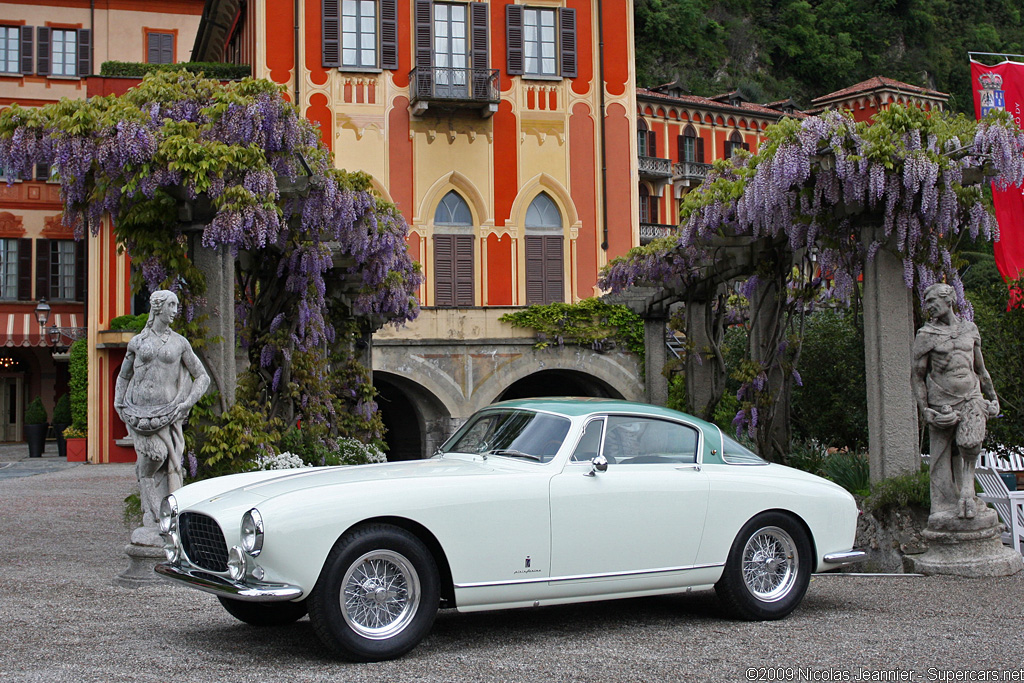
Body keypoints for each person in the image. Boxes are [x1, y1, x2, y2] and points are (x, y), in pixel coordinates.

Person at [114, 290, 210, 533]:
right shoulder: (137, 342)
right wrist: (118, 401)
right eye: (171, 305)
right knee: (154, 456)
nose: (175, 310)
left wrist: (187, 402)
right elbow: (124, 375)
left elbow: (202, 377)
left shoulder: (179, 343)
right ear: (157, 307)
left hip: (169, 412)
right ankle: (153, 511)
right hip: (139, 414)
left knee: (168, 461)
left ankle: (164, 513)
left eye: (177, 305)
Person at [912, 283, 1000, 521]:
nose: (928, 307)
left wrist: (993, 398)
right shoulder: (926, 334)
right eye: (926, 302)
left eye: (932, 301)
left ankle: (967, 494)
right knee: (940, 455)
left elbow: (980, 369)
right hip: (942, 401)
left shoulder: (970, 329)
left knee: (970, 446)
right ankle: (943, 506)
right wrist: (925, 410)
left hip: (971, 395)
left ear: (948, 299)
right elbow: (917, 376)